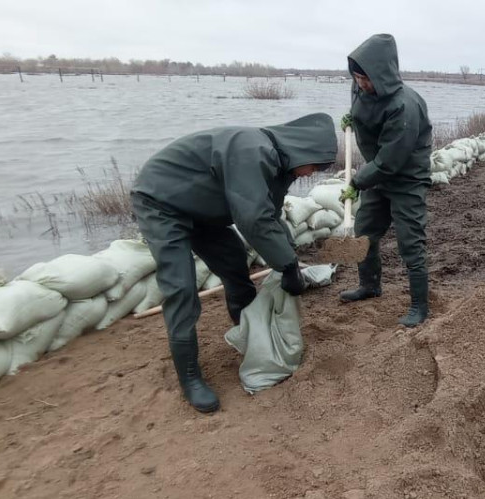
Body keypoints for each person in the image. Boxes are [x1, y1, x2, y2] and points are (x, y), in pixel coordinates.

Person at [131, 113, 338, 413]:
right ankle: (189, 378)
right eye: (315, 166)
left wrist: (289, 257)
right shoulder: (253, 150)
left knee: (232, 260)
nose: (310, 174)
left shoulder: (280, 165)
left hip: (202, 208)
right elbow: (252, 219)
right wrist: (287, 266)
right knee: (181, 288)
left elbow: (269, 215)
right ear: (303, 150)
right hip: (162, 203)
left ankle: (246, 328)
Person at [339, 33, 434, 328]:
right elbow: (368, 118)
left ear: (381, 75)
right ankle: (370, 286)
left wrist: (356, 182)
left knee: (410, 242)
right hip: (378, 175)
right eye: (356, 77)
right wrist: (352, 119)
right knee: (364, 231)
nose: (360, 84)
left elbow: (390, 160)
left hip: (405, 178)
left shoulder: (404, 106)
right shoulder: (360, 89)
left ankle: (419, 305)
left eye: (365, 78)